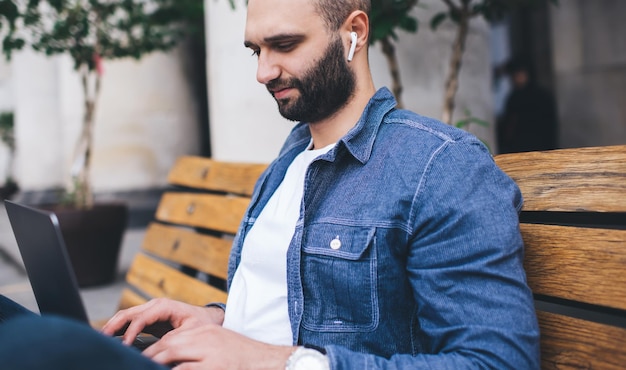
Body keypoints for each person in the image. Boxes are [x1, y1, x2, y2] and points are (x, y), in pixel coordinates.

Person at [0, 0, 540, 369]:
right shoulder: (290, 160)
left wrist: (271, 361)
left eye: (283, 44)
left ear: (353, 32)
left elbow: (498, 361)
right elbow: (290, 304)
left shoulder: (441, 167)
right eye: (255, 50)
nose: (263, 72)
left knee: (41, 345)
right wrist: (215, 318)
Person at [497, 56, 559, 154]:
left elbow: (549, 129)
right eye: (514, 74)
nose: (516, 78)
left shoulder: (541, 97)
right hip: (520, 153)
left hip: (539, 151)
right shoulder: (514, 98)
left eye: (519, 73)